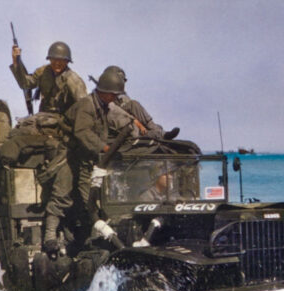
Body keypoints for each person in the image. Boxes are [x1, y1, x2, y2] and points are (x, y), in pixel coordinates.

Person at [62, 68, 121, 248]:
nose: (115, 98)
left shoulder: (101, 106)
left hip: (91, 160)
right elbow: (82, 132)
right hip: (76, 159)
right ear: (105, 92)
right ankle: (90, 241)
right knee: (89, 201)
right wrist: (103, 148)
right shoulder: (88, 105)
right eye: (113, 94)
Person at [103, 66, 179, 140]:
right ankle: (154, 134)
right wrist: (135, 122)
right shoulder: (103, 94)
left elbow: (128, 106)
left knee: (134, 104)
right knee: (133, 127)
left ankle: (159, 132)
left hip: (127, 118)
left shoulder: (120, 94)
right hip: (115, 121)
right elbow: (116, 111)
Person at [10, 41, 87, 115]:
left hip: (64, 120)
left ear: (67, 61)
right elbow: (26, 84)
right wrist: (16, 62)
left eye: (61, 60)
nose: (57, 63)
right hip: (44, 117)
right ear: (49, 59)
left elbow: (84, 106)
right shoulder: (43, 72)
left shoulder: (74, 79)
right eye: (54, 59)